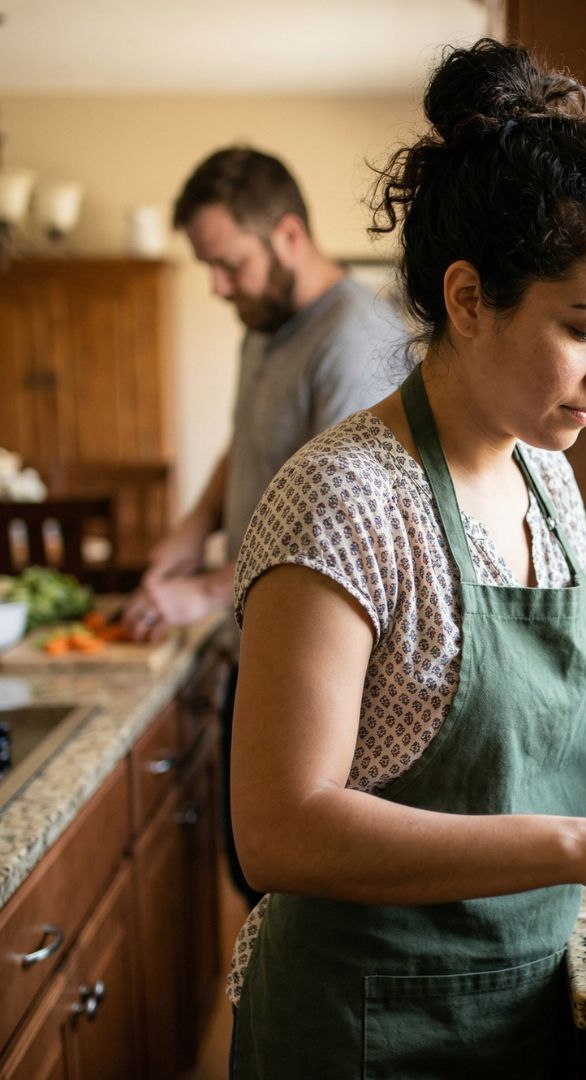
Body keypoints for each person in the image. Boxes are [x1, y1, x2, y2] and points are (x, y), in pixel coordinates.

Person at [226, 40, 586, 1079]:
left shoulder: (545, 474)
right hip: (362, 1027)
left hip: (514, 1003)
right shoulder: (344, 499)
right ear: (471, 298)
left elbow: (501, 690)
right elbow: (280, 829)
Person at [122, 146, 407, 906]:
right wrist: (190, 530)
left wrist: (207, 590)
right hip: (255, 643)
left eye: (228, 263)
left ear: (286, 235)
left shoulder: (351, 340)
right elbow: (246, 438)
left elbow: (332, 533)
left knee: (278, 890)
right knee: (248, 877)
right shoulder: (264, 320)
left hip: (312, 670)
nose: (218, 286)